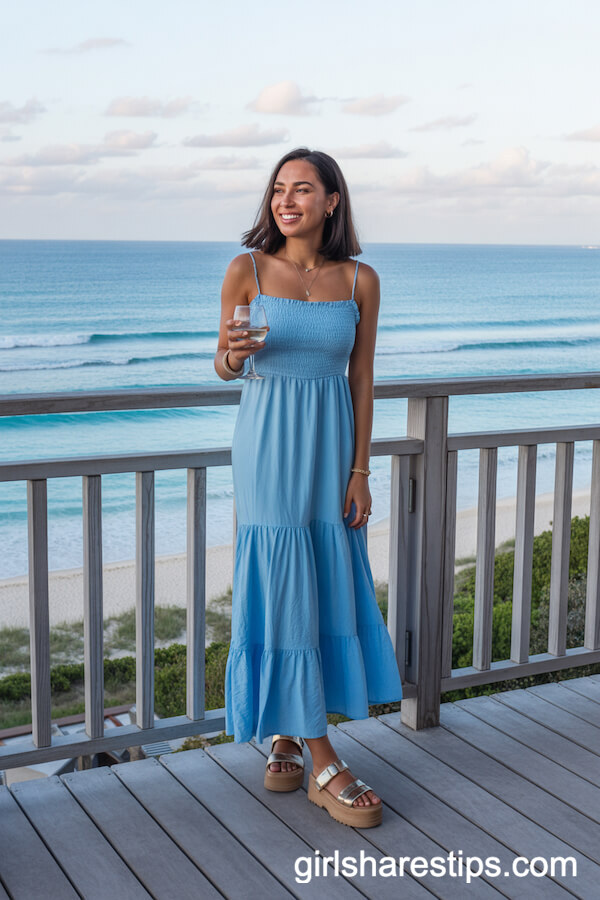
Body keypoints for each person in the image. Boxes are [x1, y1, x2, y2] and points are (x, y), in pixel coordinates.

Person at [214, 148, 402, 828]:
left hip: (330, 449)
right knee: (285, 579)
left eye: (302, 189)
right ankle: (323, 757)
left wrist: (361, 471)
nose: (286, 200)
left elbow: (361, 380)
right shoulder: (248, 269)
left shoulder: (361, 281)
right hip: (266, 447)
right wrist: (235, 354)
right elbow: (222, 363)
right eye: (278, 190)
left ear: (331, 201)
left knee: (323, 579)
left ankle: (289, 734)